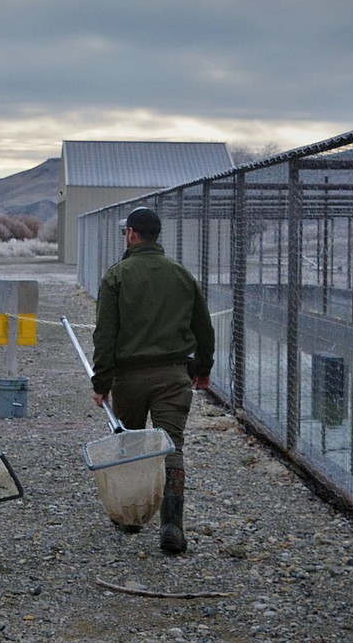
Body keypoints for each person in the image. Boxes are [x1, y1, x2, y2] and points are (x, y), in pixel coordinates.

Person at [90, 206, 215, 554]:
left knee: (131, 444)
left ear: (131, 233)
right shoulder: (181, 275)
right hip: (174, 376)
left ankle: (130, 516)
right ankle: (172, 525)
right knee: (170, 445)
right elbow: (204, 329)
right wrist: (203, 369)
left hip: (129, 378)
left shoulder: (116, 276)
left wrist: (101, 382)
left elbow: (106, 336)